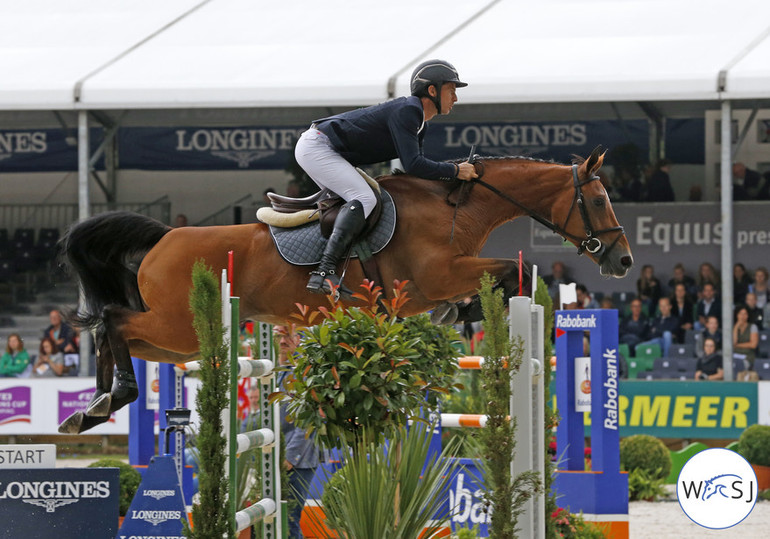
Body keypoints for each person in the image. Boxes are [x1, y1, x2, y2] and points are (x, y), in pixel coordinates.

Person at [294, 60, 477, 296]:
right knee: (364, 198)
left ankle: (337, 269)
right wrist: (455, 171)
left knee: (359, 208)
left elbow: (415, 171)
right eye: (451, 90)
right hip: (318, 147)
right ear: (432, 90)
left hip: (324, 149)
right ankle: (323, 271)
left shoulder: (420, 122)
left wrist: (453, 176)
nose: (455, 98)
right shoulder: (409, 111)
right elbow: (414, 164)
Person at [274, 324, 319, 539]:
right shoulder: (277, 371)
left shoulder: (304, 371)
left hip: (297, 459)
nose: (283, 341)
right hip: (278, 456)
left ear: (299, 340)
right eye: (279, 336)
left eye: (288, 336)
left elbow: (310, 418)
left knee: (289, 521)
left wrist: (291, 457)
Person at [733, 305, 759, 369]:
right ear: (737, 315)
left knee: (742, 365)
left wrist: (738, 345)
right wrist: (736, 327)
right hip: (735, 354)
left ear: (748, 316)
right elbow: (733, 342)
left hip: (747, 355)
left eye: (745, 314)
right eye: (740, 314)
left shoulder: (752, 327)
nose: (742, 316)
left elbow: (753, 345)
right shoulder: (733, 327)